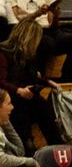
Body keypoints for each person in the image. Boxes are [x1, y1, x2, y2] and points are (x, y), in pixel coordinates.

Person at [0, 17, 64, 152]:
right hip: (10, 96)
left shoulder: (28, 54)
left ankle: (57, 145)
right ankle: (28, 147)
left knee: (44, 107)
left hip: (25, 94)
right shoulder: (3, 51)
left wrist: (46, 81)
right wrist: (18, 90)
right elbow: (1, 81)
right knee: (20, 110)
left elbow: (32, 75)